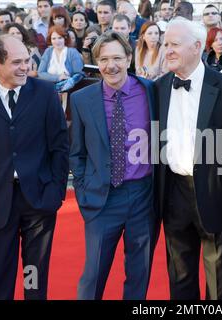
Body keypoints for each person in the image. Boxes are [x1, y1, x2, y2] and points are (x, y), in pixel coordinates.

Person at [0, 34, 69, 300]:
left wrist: (56, 193)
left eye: (28, 61)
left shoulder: (45, 93)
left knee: (33, 274)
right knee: (0, 274)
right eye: (17, 62)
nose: (26, 67)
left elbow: (60, 147)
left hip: (39, 200)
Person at [155, 18, 222, 300]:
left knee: (220, 277)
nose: (167, 50)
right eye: (165, 44)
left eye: (174, 44)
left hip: (216, 190)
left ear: (196, 47)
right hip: (173, 193)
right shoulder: (158, 87)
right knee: (179, 275)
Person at [70, 31, 158, 300]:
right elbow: (77, 153)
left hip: (143, 195)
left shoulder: (151, 91)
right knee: (93, 276)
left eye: (118, 58)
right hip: (102, 198)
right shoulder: (81, 99)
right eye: (104, 59)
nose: (111, 65)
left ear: (129, 58)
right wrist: (85, 192)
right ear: (97, 62)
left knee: (138, 273)